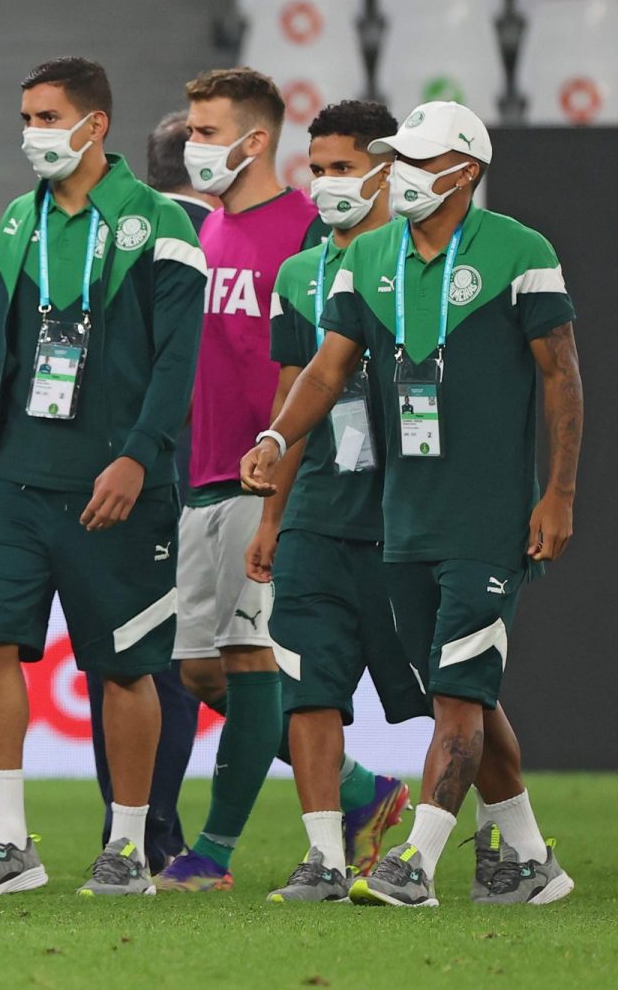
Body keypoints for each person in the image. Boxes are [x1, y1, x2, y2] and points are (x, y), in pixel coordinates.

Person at [243, 101, 581, 908]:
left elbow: (561, 377)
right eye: (400, 159)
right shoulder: (372, 258)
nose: (406, 174)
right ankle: (532, 859)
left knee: (460, 692)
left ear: (468, 170)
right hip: (403, 518)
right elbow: (325, 371)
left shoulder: (520, 251)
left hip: (488, 518)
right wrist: (279, 440)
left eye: (424, 162)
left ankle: (415, 865)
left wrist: (559, 494)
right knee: (459, 688)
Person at [0, 58, 200, 901]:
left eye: (47, 117)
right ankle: (9, 839)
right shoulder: (20, 220)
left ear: (96, 125)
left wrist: (138, 453)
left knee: (124, 667)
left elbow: (177, 359)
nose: (32, 135)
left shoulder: (159, 223)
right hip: (16, 477)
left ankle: (126, 848)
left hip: (117, 479)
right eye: (26, 118)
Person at [160, 67, 338, 892]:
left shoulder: (303, 232)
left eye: (204, 132)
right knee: (201, 670)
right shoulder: (205, 235)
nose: (191, 146)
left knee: (249, 657)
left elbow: (303, 371)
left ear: (254, 140)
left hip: (257, 477)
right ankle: (367, 792)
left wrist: (275, 483)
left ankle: (216, 853)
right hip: (197, 474)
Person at [248, 102, 427, 902]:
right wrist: (272, 517)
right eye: (316, 170)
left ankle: (505, 835)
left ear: (388, 170)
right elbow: (293, 390)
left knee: (455, 694)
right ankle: (323, 855)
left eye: (343, 168)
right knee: (309, 688)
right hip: (320, 511)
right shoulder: (297, 273)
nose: (326, 185)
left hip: (410, 515)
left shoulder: (419, 265)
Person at [76, 108, 212, 875]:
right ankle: (156, 832)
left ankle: (132, 829)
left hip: (105, 474)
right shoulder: (219, 240)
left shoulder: (102, 237)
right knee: (181, 661)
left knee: (127, 659)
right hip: (198, 475)